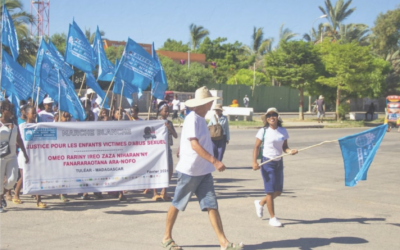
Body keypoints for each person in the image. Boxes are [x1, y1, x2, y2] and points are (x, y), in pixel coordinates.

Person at [161, 86, 243, 250]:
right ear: (207, 103)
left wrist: (182, 149)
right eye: (210, 101)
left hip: (203, 171)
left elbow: (189, 141)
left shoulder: (199, 119)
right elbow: (195, 144)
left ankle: (223, 243)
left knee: (211, 205)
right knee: (177, 203)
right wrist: (215, 161)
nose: (212, 104)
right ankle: (166, 238)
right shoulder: (192, 118)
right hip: (191, 171)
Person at [252, 108, 298, 227]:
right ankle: (272, 218)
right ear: (267, 118)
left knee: (278, 191)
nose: (271, 117)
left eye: (274, 115)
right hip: (267, 162)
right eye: (269, 115)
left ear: (277, 117)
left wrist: (290, 151)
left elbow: (285, 147)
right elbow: (256, 147)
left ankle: (261, 203)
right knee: (270, 191)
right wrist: (254, 162)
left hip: (278, 161)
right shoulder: (263, 131)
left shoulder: (283, 131)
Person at [12, 105, 47, 208]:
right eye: (33, 113)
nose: (35, 114)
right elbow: (17, 140)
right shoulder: (22, 127)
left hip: (36, 156)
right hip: (24, 156)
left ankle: (39, 200)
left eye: (36, 112)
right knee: (24, 177)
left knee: (37, 177)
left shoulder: (38, 126)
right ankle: (16, 195)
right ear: (26, 114)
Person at [144, 101, 178, 201]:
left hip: (167, 148)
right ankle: (155, 192)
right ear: (160, 111)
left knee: (169, 170)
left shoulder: (169, 123)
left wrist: (169, 128)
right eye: (165, 111)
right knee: (155, 170)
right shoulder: (155, 122)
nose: (167, 113)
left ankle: (164, 190)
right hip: (157, 149)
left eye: (168, 111)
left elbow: (175, 135)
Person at [0, 100, 29, 213]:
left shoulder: (14, 123)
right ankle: (0, 203)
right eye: (9, 109)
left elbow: (19, 139)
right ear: (2, 111)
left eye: (12, 109)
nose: (11, 111)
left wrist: (25, 154)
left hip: (12, 155)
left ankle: (2, 193)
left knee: (12, 179)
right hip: (1, 156)